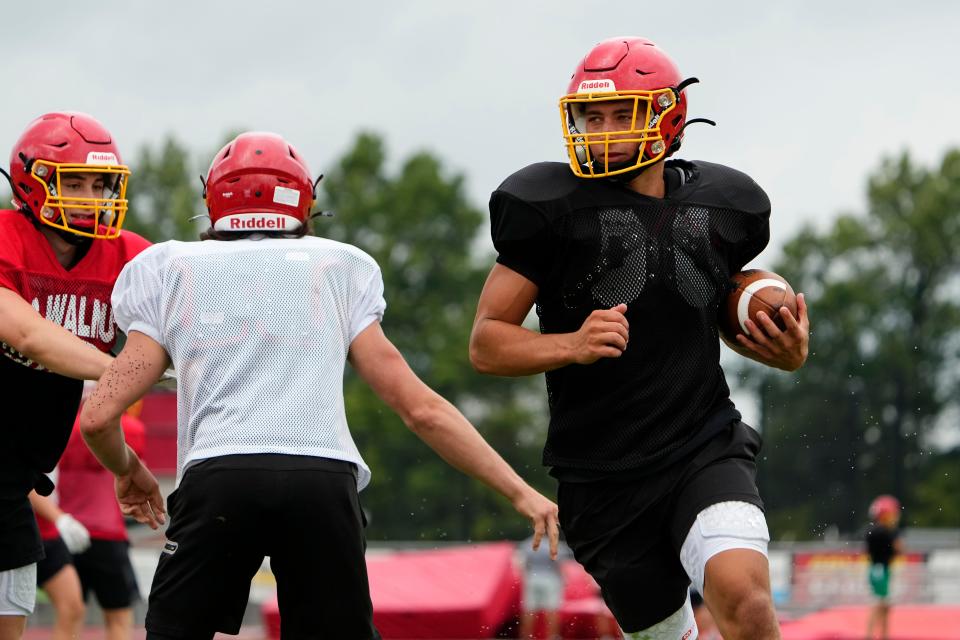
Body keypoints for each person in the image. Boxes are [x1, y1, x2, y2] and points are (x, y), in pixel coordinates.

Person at [78, 131, 561, 640]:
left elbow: (98, 415)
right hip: (322, 480)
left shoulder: (167, 268)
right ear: (305, 201)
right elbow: (421, 409)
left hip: (220, 477)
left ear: (213, 200)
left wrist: (128, 469)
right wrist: (520, 491)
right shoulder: (339, 266)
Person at [469, 37, 810, 639]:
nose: (601, 129)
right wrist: (570, 344)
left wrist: (788, 349)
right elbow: (487, 343)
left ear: (666, 116)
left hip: (702, 444)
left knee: (746, 601)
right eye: (590, 116)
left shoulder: (721, 204)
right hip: (601, 479)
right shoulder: (550, 208)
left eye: (619, 115)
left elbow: (717, 307)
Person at [0, 112, 151, 640]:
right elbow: (28, 336)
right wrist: (129, 371)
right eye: (75, 182)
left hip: (13, 483)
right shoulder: (7, 237)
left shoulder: (129, 257)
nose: (90, 196)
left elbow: (201, 311)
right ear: (33, 182)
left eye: (100, 183)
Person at [54, 395, 146, 640]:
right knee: (118, 617)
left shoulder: (61, 429)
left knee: (69, 613)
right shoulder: (129, 428)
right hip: (108, 533)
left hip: (69, 531)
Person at [28, 483, 90, 640]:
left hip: (47, 533)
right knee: (8, 618)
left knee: (72, 608)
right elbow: (21, 477)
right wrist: (60, 518)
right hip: (14, 533)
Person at [865, 495, 902, 640]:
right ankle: (871, 636)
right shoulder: (886, 532)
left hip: (877, 569)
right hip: (880, 570)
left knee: (884, 606)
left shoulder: (872, 531)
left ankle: (883, 635)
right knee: (880, 604)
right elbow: (899, 549)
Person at [519, 536, 570, 640]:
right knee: (552, 609)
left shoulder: (527, 545)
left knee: (529, 610)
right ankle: (552, 637)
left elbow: (522, 564)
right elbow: (559, 563)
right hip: (550, 579)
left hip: (532, 578)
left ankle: (525, 637)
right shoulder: (554, 544)